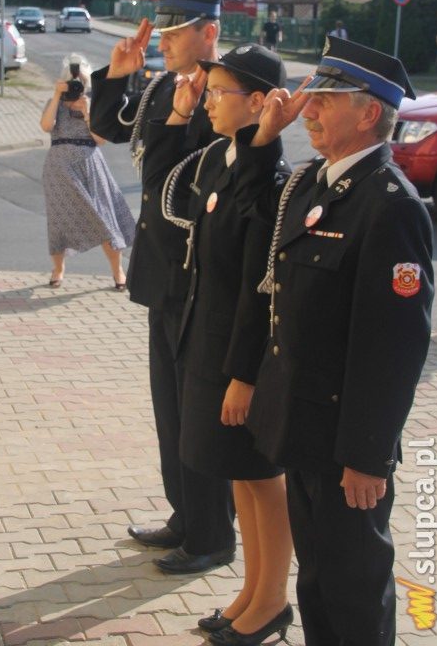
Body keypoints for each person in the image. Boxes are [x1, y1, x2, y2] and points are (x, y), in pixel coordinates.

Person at [231, 36, 434, 646]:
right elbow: (249, 210)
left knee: (354, 587)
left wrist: (368, 453)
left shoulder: (389, 205)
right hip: (304, 425)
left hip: (349, 444)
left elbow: (395, 346)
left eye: (324, 97)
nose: (308, 108)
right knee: (316, 580)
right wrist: (264, 135)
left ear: (369, 112)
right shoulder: (315, 185)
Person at [140, 45, 295, 645]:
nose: (208, 99)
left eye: (220, 91)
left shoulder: (269, 181)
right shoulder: (219, 162)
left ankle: (272, 600)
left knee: (261, 477)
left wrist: (244, 375)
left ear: (258, 102)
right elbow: (165, 204)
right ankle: (252, 594)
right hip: (208, 348)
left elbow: (258, 290)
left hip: (240, 359)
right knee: (238, 475)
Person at [90, 0, 236, 575]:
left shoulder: (227, 94)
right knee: (169, 408)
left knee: (197, 411)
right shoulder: (160, 86)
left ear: (210, 33)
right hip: (162, 274)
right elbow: (108, 128)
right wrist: (119, 74)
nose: (168, 42)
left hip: (202, 276)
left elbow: (177, 176)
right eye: (164, 32)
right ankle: (185, 515)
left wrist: (181, 116)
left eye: (179, 33)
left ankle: (212, 536)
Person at [40, 54, 135, 289]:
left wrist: (88, 113)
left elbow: (100, 139)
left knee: (104, 218)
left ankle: (118, 271)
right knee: (59, 220)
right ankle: (59, 269)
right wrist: (56, 95)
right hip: (59, 167)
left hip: (91, 166)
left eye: (80, 80)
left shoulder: (92, 103)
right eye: (72, 80)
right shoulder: (56, 102)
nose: (76, 85)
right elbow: (45, 126)